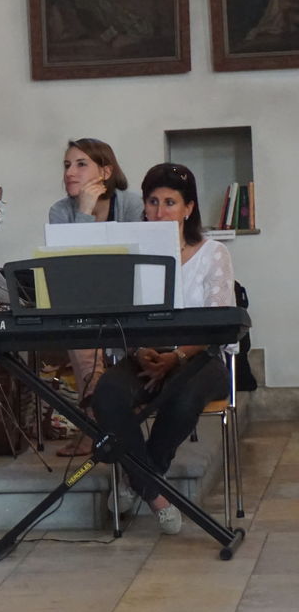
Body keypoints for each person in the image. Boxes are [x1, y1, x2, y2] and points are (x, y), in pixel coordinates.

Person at [91, 163, 235, 535]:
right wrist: (141, 351)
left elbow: (219, 324)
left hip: (200, 358)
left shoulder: (213, 252)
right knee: (107, 393)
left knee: (182, 397)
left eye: (170, 202)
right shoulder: (131, 254)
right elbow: (122, 315)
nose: (159, 212)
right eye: (152, 202)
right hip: (146, 355)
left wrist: (178, 356)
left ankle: (136, 480)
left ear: (189, 208)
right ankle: (155, 494)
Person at [49, 137, 144, 456]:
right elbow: (70, 268)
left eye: (81, 164)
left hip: (129, 299)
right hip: (83, 301)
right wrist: (85, 212)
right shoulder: (61, 211)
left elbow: (138, 262)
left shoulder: (131, 205)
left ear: (105, 172)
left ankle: (104, 425)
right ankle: (98, 425)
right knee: (82, 338)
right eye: (66, 165)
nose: (69, 172)